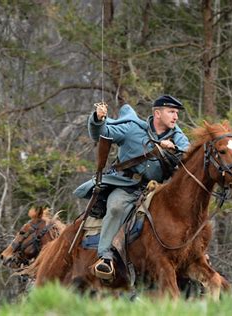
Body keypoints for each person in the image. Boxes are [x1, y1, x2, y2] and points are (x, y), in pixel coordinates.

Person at [75, 95, 190, 279]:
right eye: (171, 112)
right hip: (127, 185)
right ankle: (105, 257)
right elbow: (101, 133)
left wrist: (175, 149)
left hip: (156, 190)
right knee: (115, 207)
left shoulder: (178, 136)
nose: (175, 117)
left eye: (176, 113)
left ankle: (191, 258)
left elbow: (189, 156)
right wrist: (97, 118)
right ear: (157, 113)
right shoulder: (132, 129)